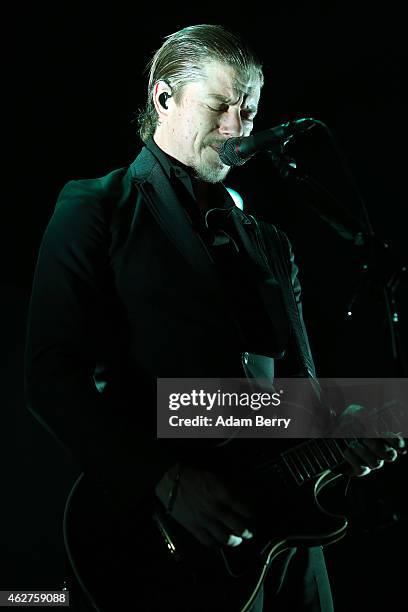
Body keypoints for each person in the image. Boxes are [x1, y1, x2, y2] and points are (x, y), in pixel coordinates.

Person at [24, 24, 405, 612]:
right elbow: (50, 375)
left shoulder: (270, 241)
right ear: (163, 98)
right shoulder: (96, 206)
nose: (238, 129)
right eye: (220, 106)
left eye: (248, 110)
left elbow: (293, 395)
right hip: (170, 529)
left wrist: (345, 426)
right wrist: (165, 479)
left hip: (287, 532)